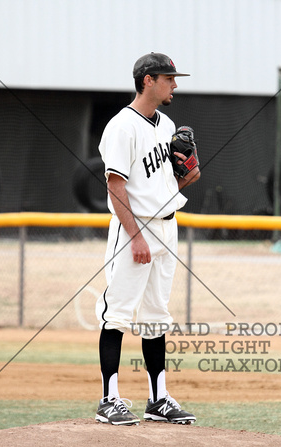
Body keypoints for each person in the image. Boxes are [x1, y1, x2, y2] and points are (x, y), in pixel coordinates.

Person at [95, 52, 201, 426]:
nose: (175, 84)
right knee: (118, 314)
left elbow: (173, 180)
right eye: (169, 78)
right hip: (133, 229)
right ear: (148, 80)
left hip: (167, 226)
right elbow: (115, 185)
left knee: (156, 316)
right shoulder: (122, 126)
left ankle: (158, 399)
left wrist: (190, 172)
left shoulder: (166, 123)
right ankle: (109, 399)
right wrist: (135, 236)